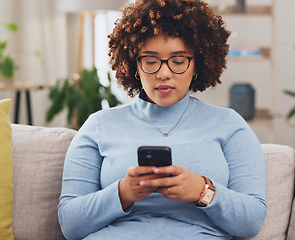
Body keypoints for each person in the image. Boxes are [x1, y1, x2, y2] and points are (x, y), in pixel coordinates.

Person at [58, 0, 267, 239]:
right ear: (134, 65)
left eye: (178, 61)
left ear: (196, 64)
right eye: (150, 61)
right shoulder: (98, 126)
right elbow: (70, 225)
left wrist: (203, 190)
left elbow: (252, 221)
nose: (164, 73)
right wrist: (123, 192)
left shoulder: (229, 125)